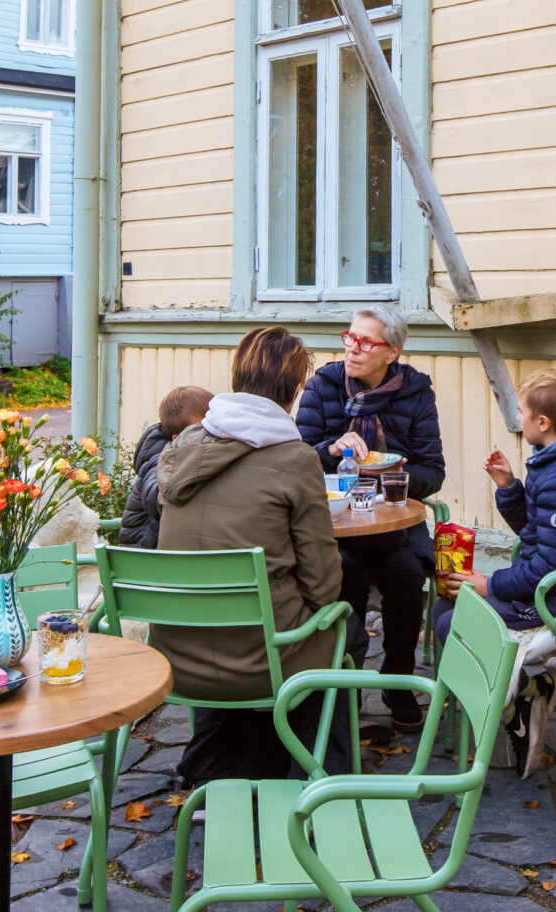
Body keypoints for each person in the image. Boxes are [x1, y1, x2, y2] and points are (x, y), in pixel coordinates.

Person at [154, 326, 347, 783]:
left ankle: (219, 768)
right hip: (262, 661)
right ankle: (323, 777)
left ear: (237, 375)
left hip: (177, 654)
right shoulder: (296, 459)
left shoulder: (182, 447)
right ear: (297, 388)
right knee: (341, 627)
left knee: (252, 621)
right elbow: (324, 586)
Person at [434, 367, 556, 777]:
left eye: (521, 412)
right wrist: (508, 487)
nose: (518, 419)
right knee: (444, 607)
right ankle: (533, 690)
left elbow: (552, 566)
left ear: (542, 423)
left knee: (455, 624)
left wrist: (490, 584)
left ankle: (513, 711)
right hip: (551, 585)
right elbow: (537, 535)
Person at [296, 306, 445, 732]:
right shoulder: (323, 385)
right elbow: (297, 457)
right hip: (337, 526)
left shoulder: (416, 393)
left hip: (395, 523)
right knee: (346, 572)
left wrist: (389, 476)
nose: (352, 349)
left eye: (365, 342)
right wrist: (328, 449)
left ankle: (398, 680)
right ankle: (347, 683)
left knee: (403, 573)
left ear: (392, 351)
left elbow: (433, 471)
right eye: (349, 338)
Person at [118, 386, 213, 547]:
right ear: (178, 439)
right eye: (203, 430)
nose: (211, 434)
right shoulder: (157, 460)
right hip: (142, 554)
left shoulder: (174, 454)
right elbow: (158, 496)